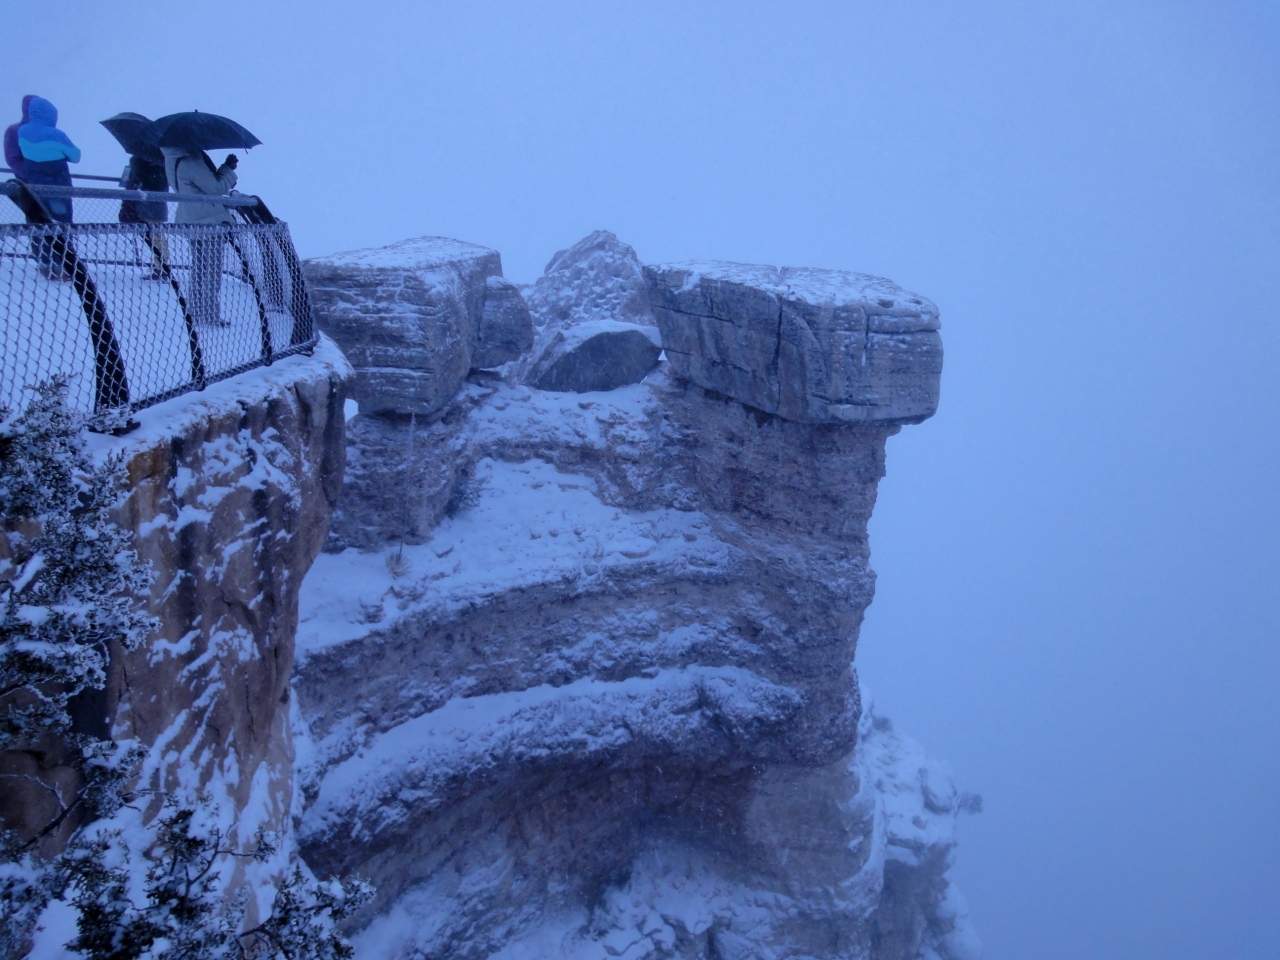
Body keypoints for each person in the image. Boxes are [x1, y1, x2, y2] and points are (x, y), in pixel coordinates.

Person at [163, 146, 237, 324]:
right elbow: (215, 188)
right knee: (211, 271)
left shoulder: (172, 156)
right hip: (208, 220)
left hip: (190, 217)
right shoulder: (192, 160)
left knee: (199, 268)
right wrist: (227, 168)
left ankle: (195, 312)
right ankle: (210, 315)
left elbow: (194, 185)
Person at [17, 97, 81, 280]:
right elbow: (75, 156)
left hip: (34, 187)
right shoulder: (56, 134)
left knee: (38, 224)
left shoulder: (23, 131)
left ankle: (44, 264)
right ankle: (62, 265)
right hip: (58, 187)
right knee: (61, 225)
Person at [118, 152, 170, 280]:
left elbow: (131, 188)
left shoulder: (139, 166)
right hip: (158, 207)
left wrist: (127, 207)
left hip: (144, 208)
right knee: (158, 238)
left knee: (155, 239)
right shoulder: (162, 165)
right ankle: (161, 267)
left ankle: (161, 269)